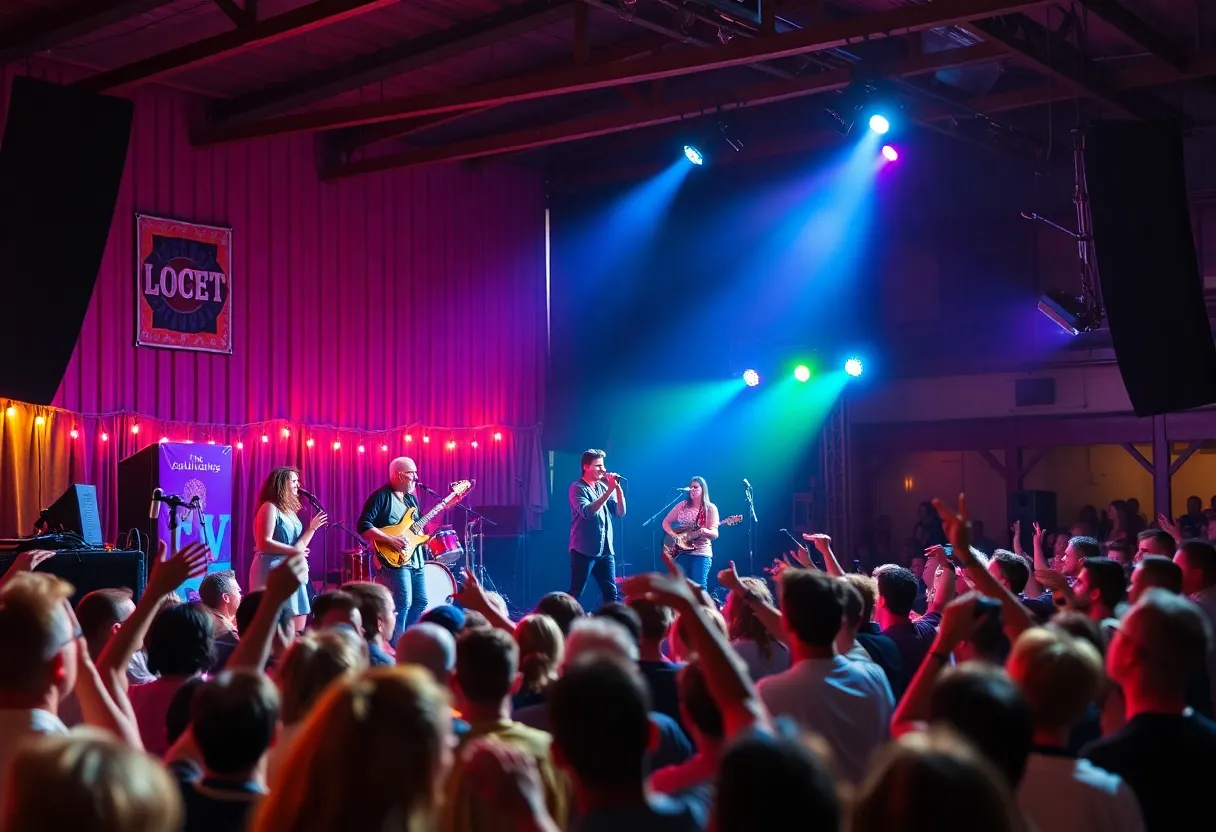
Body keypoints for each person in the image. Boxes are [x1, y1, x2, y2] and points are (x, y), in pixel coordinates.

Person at [358, 457, 428, 642]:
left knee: (421, 602)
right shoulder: (381, 496)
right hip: (395, 560)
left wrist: (445, 507)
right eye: (412, 473)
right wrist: (390, 539)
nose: (416, 477)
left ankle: (407, 640)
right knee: (403, 604)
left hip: (415, 558)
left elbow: (416, 528)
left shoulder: (412, 499)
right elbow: (363, 526)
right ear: (399, 474)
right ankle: (396, 646)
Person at [250, 467, 326, 630]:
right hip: (272, 570)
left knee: (297, 623)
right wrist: (294, 552)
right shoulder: (269, 507)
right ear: (281, 484)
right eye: (294, 481)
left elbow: (297, 547)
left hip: (291, 571)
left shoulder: (289, 511)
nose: (298, 485)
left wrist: (312, 528)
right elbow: (264, 542)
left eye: (298, 481)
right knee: (275, 625)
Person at [568, 449, 626, 607]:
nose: (604, 469)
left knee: (610, 590)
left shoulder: (602, 487)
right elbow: (587, 512)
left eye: (603, 465)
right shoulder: (577, 488)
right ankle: (559, 621)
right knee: (576, 591)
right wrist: (609, 490)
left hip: (606, 550)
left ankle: (610, 625)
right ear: (586, 467)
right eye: (598, 466)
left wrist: (617, 490)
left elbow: (620, 512)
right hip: (584, 549)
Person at [660, 477, 719, 589]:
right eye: (691, 487)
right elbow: (665, 522)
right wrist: (675, 535)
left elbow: (715, 533)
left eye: (695, 487)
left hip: (701, 554)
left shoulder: (710, 508)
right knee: (680, 588)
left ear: (703, 489)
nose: (692, 490)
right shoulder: (682, 505)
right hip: (681, 552)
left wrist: (704, 531)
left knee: (699, 588)